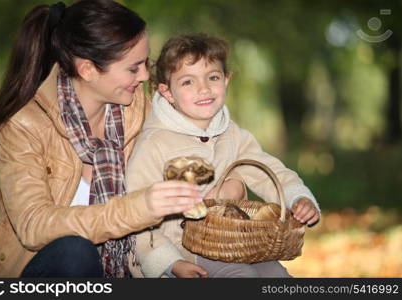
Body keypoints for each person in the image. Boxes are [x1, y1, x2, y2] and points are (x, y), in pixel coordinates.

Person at [0, 1, 221, 278]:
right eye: (133, 69)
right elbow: (34, 226)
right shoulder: (23, 125)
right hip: (46, 272)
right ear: (87, 70)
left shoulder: (139, 109)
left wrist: (226, 183)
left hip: (130, 269)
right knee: (74, 250)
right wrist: (139, 207)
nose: (145, 75)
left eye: (146, 63)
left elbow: (192, 148)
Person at [126, 33, 321, 278]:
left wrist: (297, 198)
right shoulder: (154, 144)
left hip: (234, 242)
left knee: (276, 275)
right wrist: (169, 262)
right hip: (181, 249)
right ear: (167, 92)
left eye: (213, 77)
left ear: (226, 80)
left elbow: (267, 172)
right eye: (188, 82)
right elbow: (137, 211)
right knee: (241, 278)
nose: (204, 88)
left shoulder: (232, 133)